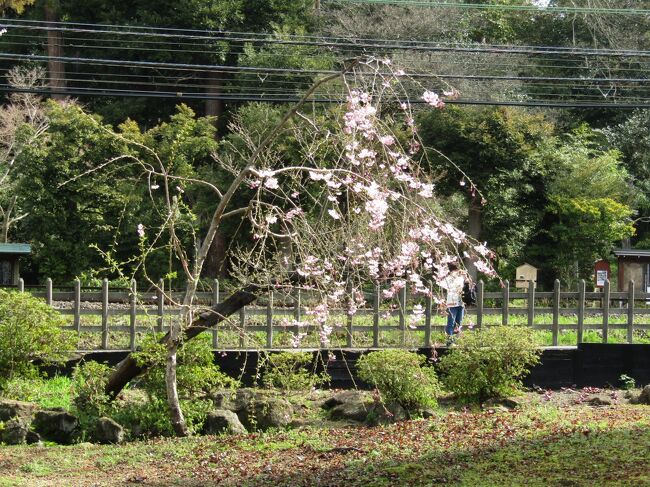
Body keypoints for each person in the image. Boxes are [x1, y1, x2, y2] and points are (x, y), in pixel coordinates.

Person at [440, 262, 467, 345]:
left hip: (460, 302)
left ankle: (454, 340)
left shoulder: (461, 277)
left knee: (458, 322)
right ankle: (450, 341)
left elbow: (466, 285)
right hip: (451, 303)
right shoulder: (447, 279)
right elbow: (442, 287)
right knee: (451, 322)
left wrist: (465, 276)